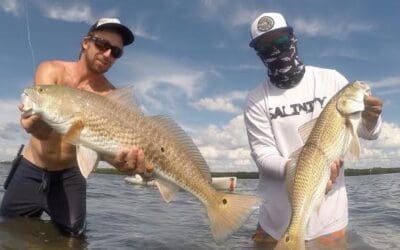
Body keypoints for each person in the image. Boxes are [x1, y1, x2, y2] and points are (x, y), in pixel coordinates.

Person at [0, 18, 153, 236]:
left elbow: (105, 149)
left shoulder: (112, 97)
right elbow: (40, 132)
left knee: (74, 239)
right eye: (102, 44)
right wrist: (34, 121)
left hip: (71, 175)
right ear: (85, 43)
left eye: (116, 52)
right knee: (9, 232)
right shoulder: (51, 70)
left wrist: (122, 164)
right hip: (31, 168)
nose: (108, 54)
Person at [244, 12, 383, 246]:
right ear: (258, 54)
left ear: (293, 38)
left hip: (328, 221)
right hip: (273, 222)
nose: (276, 51)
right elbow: (262, 153)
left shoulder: (332, 79)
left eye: (281, 42)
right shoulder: (256, 98)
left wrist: (370, 119)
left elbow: (369, 133)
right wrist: (298, 169)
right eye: (266, 47)